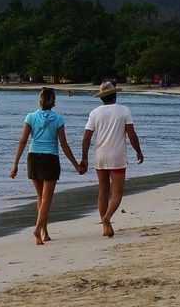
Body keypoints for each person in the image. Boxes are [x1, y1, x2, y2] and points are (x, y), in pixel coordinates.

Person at [9, 87, 84, 244]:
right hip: (50, 158)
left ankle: (44, 232)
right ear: (53, 101)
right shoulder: (58, 119)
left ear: (40, 100)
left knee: (40, 197)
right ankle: (38, 229)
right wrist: (76, 165)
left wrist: (15, 164)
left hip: (33, 157)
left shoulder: (30, 117)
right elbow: (64, 144)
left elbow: (22, 141)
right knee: (47, 198)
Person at [81, 80, 143, 238]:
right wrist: (138, 151)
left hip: (100, 156)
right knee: (117, 194)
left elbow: (86, 138)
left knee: (103, 191)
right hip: (117, 156)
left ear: (102, 97)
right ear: (115, 94)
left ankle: (105, 228)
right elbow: (131, 134)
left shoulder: (95, 113)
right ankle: (107, 217)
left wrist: (84, 158)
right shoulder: (124, 111)